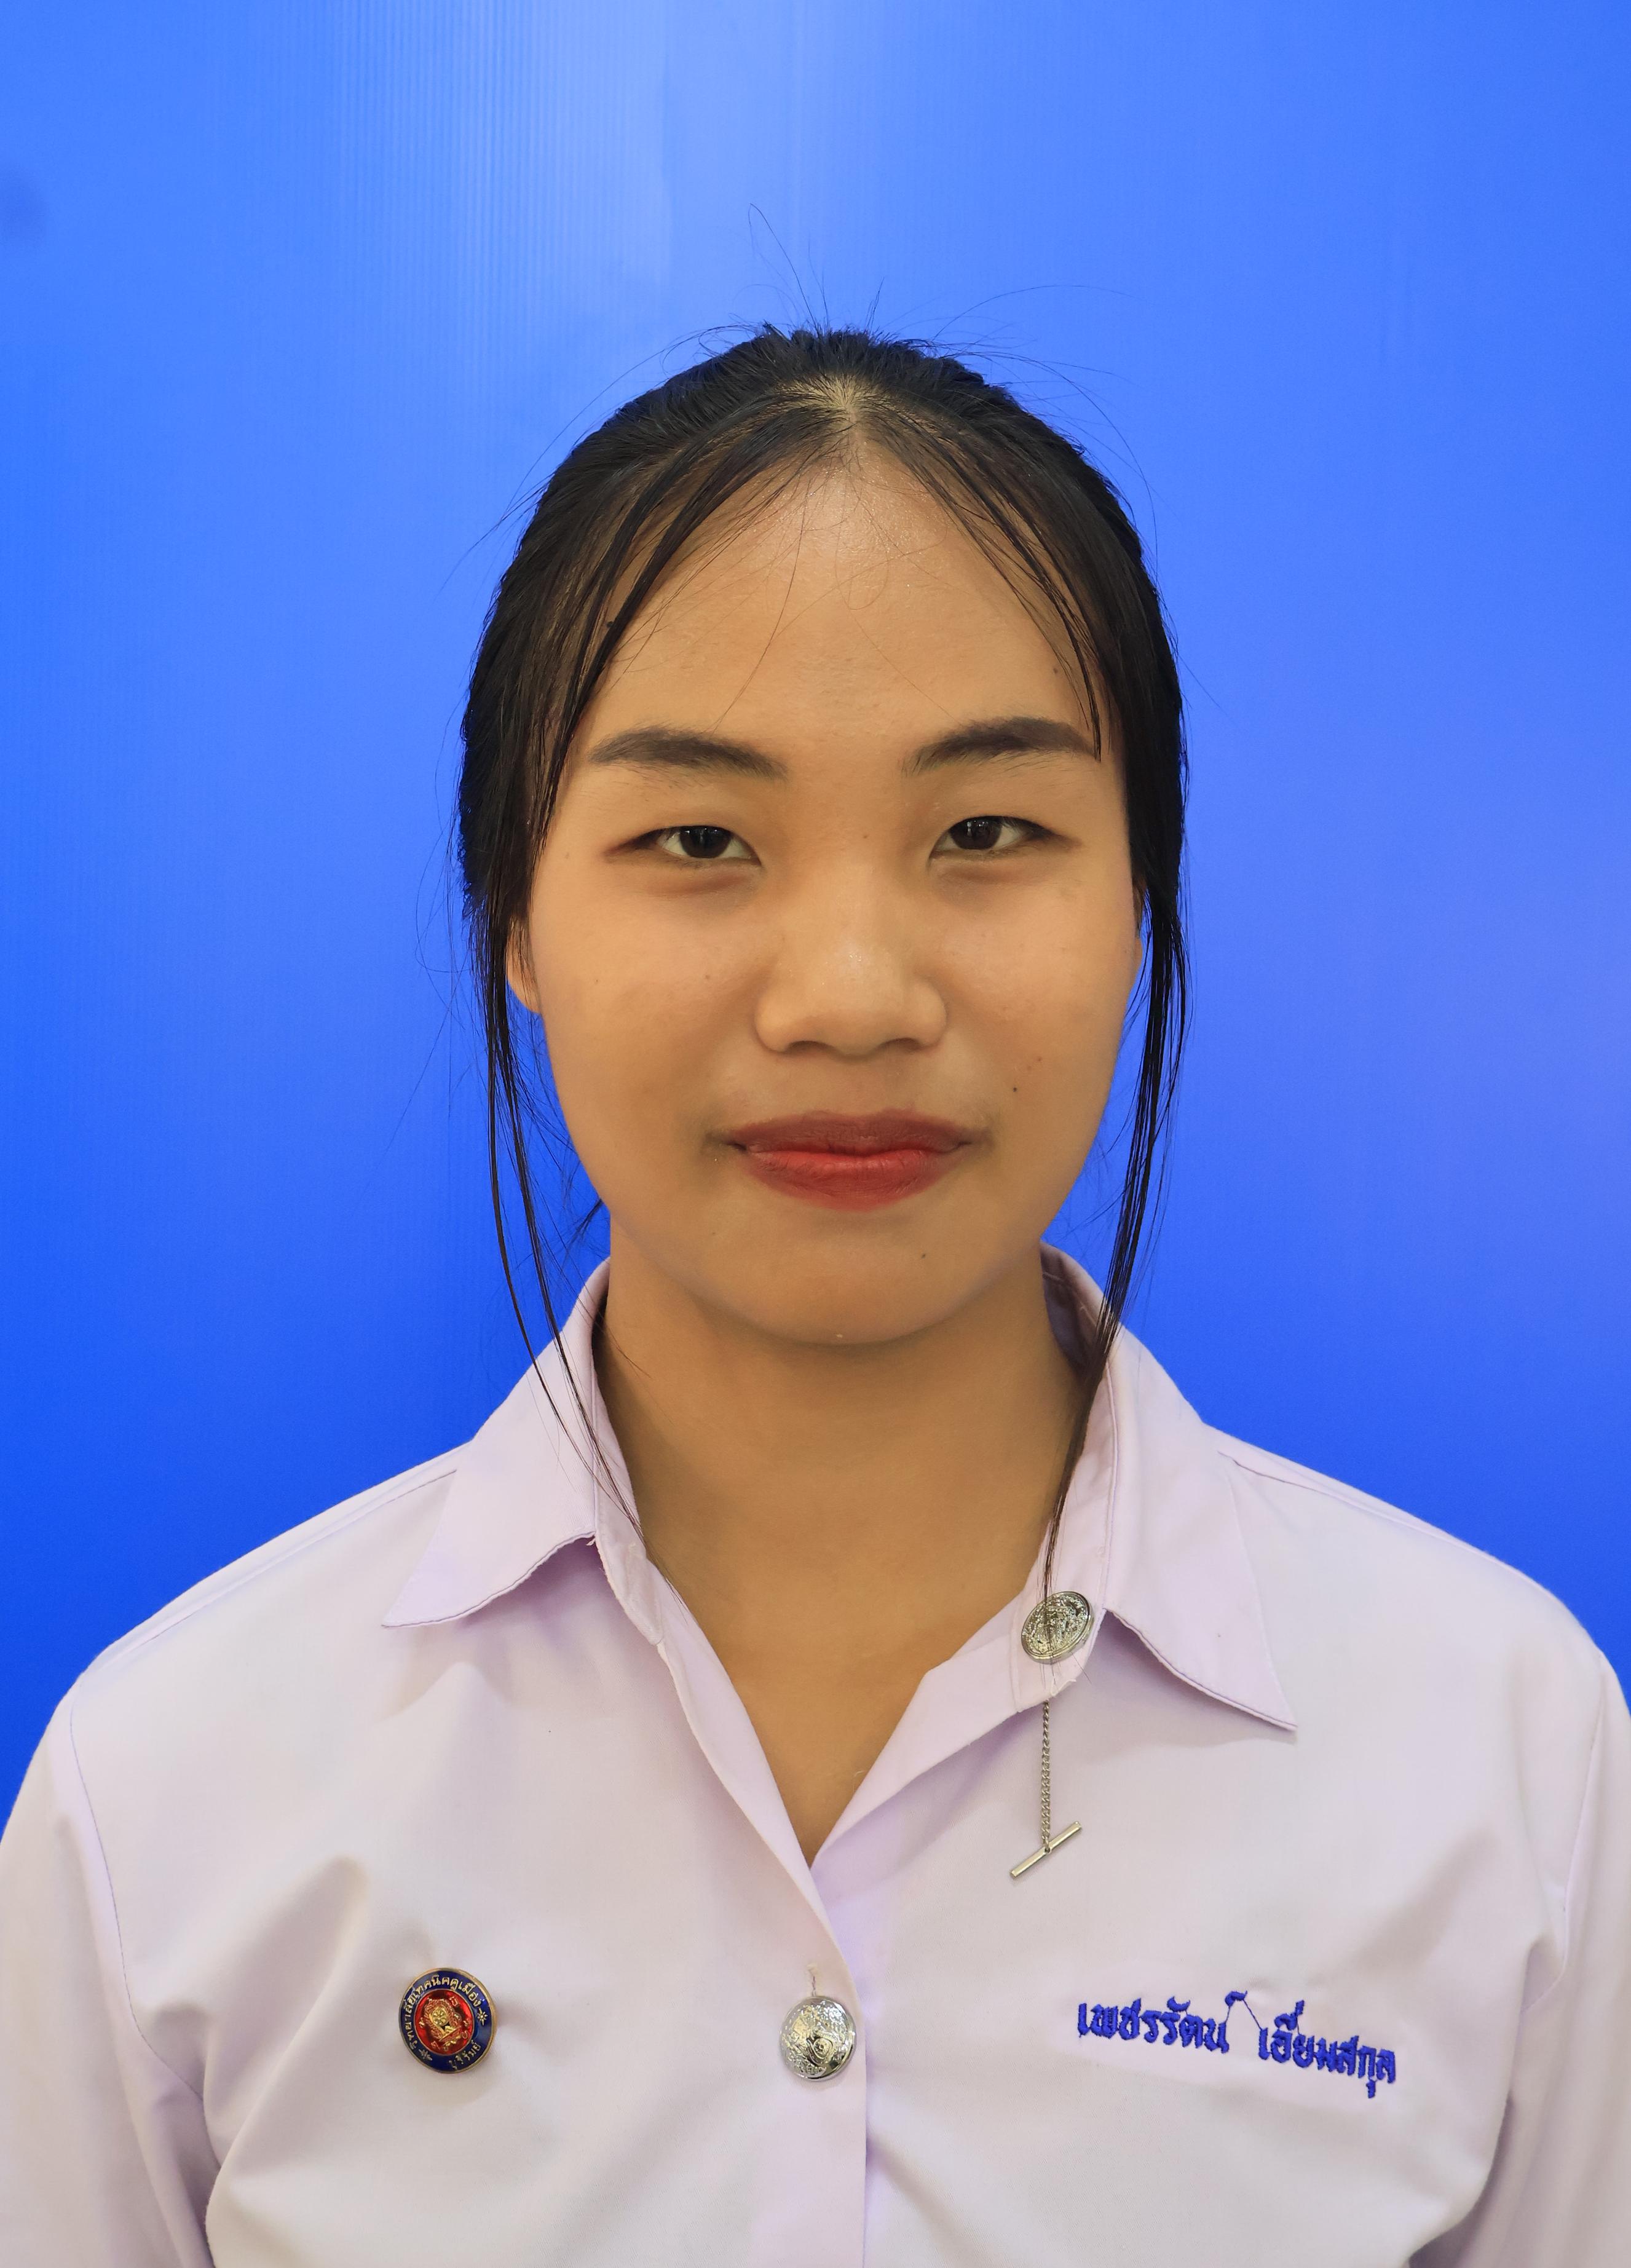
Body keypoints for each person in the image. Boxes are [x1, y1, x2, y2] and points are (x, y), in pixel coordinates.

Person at [1, 326, 1626, 2266]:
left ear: (1139, 906)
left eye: (989, 833)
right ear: (517, 918)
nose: (852, 993)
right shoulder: (169, 1789)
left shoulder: (1503, 1755)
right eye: (699, 839)